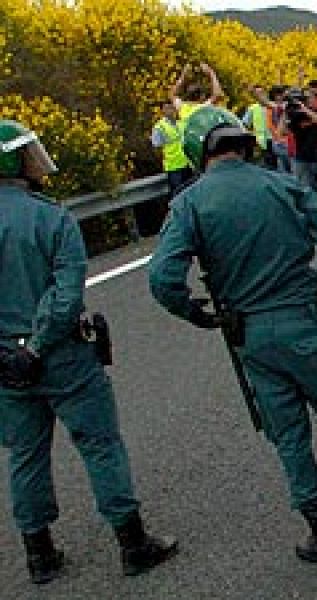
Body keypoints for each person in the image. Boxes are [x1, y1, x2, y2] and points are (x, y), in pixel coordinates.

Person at [148, 106, 317, 567]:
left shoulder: (190, 204)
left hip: (250, 334)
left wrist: (195, 312)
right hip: (303, 321)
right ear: (242, 141)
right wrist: (315, 277)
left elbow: (163, 279)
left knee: (288, 434)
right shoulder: (282, 185)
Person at [0, 120, 179, 585]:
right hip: (61, 355)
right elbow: (66, 293)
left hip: (5, 364)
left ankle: (38, 554)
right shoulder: (49, 217)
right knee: (100, 444)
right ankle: (132, 543)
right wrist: (38, 345)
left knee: (25, 454)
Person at [150, 101, 194, 196]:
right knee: (177, 195)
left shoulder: (181, 123)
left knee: (190, 194)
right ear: (162, 111)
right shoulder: (160, 127)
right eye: (166, 108)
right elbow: (156, 145)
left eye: (171, 108)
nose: (169, 110)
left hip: (187, 165)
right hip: (173, 167)